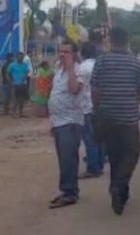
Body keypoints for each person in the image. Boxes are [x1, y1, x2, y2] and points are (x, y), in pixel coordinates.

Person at [91, 27, 140, 216]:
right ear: (127, 41)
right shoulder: (137, 63)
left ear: (110, 41)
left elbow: (95, 90)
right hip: (128, 117)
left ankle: (119, 191)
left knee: (115, 155)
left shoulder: (101, 61)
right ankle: (118, 186)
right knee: (132, 153)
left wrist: (97, 109)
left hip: (107, 116)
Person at [48, 41, 86, 209]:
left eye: (66, 52)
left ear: (74, 54)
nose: (62, 54)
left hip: (70, 122)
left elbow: (74, 89)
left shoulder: (78, 70)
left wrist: (70, 68)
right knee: (63, 159)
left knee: (68, 159)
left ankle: (70, 193)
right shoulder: (58, 70)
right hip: (59, 121)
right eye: (60, 51)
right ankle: (67, 190)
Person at [79, 42, 104, 179]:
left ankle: (93, 167)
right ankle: (99, 164)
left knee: (89, 138)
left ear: (82, 53)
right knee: (99, 137)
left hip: (86, 105)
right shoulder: (100, 65)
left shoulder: (81, 68)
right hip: (99, 105)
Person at [7, 52, 31, 117]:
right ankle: (14, 112)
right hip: (15, 84)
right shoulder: (12, 65)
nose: (20, 58)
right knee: (14, 99)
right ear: (17, 57)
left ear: (23, 58)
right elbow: (8, 73)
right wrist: (10, 82)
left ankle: (20, 113)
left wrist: (25, 77)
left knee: (22, 99)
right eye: (19, 57)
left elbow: (27, 71)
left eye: (21, 57)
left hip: (23, 84)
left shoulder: (25, 65)